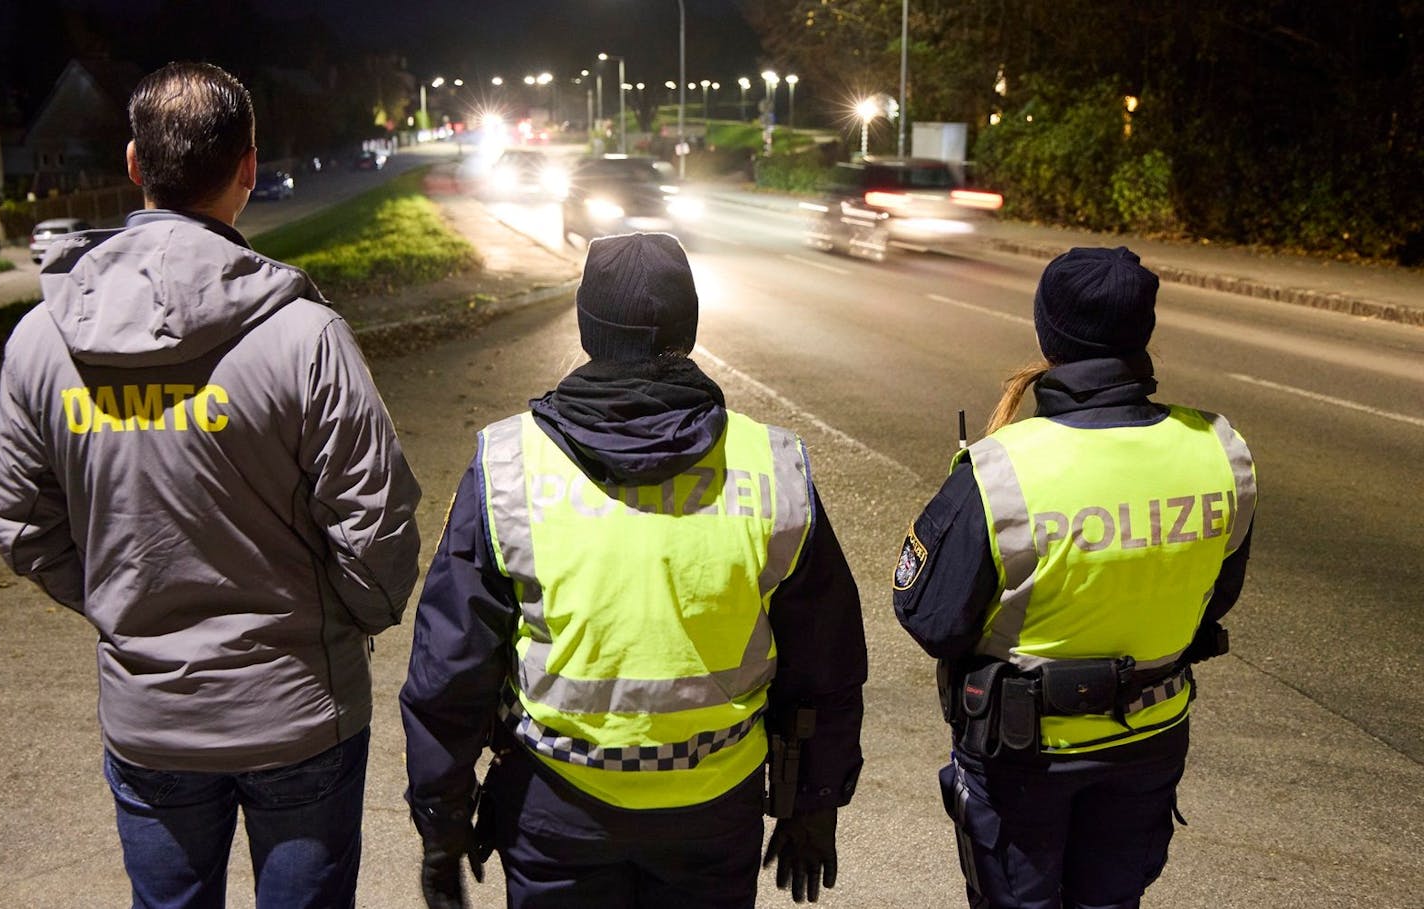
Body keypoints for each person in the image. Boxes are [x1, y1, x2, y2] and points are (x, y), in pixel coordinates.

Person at [0, 62, 422, 909]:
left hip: (151, 718)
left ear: (134, 165)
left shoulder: (42, 341)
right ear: (249, 170)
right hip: (299, 710)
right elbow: (378, 526)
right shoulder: (304, 336)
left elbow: (21, 523)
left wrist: (123, 601)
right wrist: (334, 624)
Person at [400, 232, 867, 909]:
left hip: (557, 812)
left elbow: (450, 666)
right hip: (714, 809)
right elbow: (825, 662)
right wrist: (814, 803)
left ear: (589, 327)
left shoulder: (509, 466)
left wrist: (441, 821)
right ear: (691, 326)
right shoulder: (774, 467)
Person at [893, 246, 1257, 909]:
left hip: (1025, 757)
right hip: (1149, 740)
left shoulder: (1002, 469)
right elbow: (1217, 592)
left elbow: (931, 616)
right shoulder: (1219, 449)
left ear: (1046, 333)